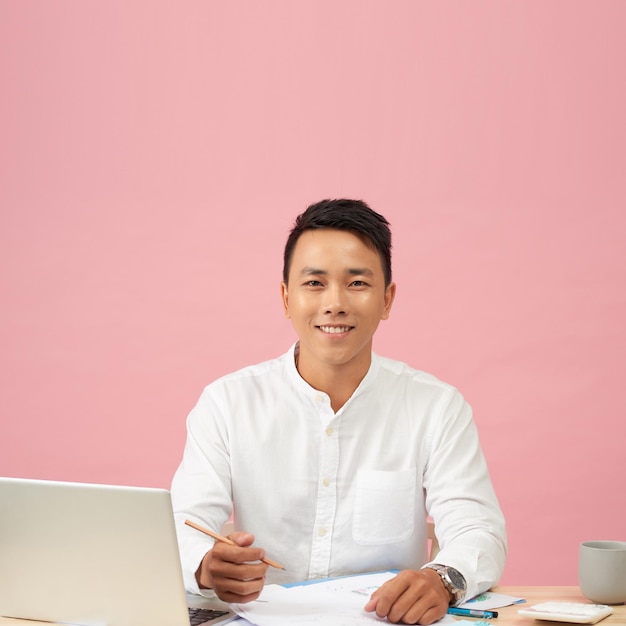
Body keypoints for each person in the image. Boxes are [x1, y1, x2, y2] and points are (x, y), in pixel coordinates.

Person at [171, 198, 506, 625]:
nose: (335, 304)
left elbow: (478, 528)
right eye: (314, 283)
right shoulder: (227, 403)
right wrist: (205, 565)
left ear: (387, 300)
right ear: (286, 298)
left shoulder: (436, 407)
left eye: (357, 283)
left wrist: (441, 578)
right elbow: (184, 522)